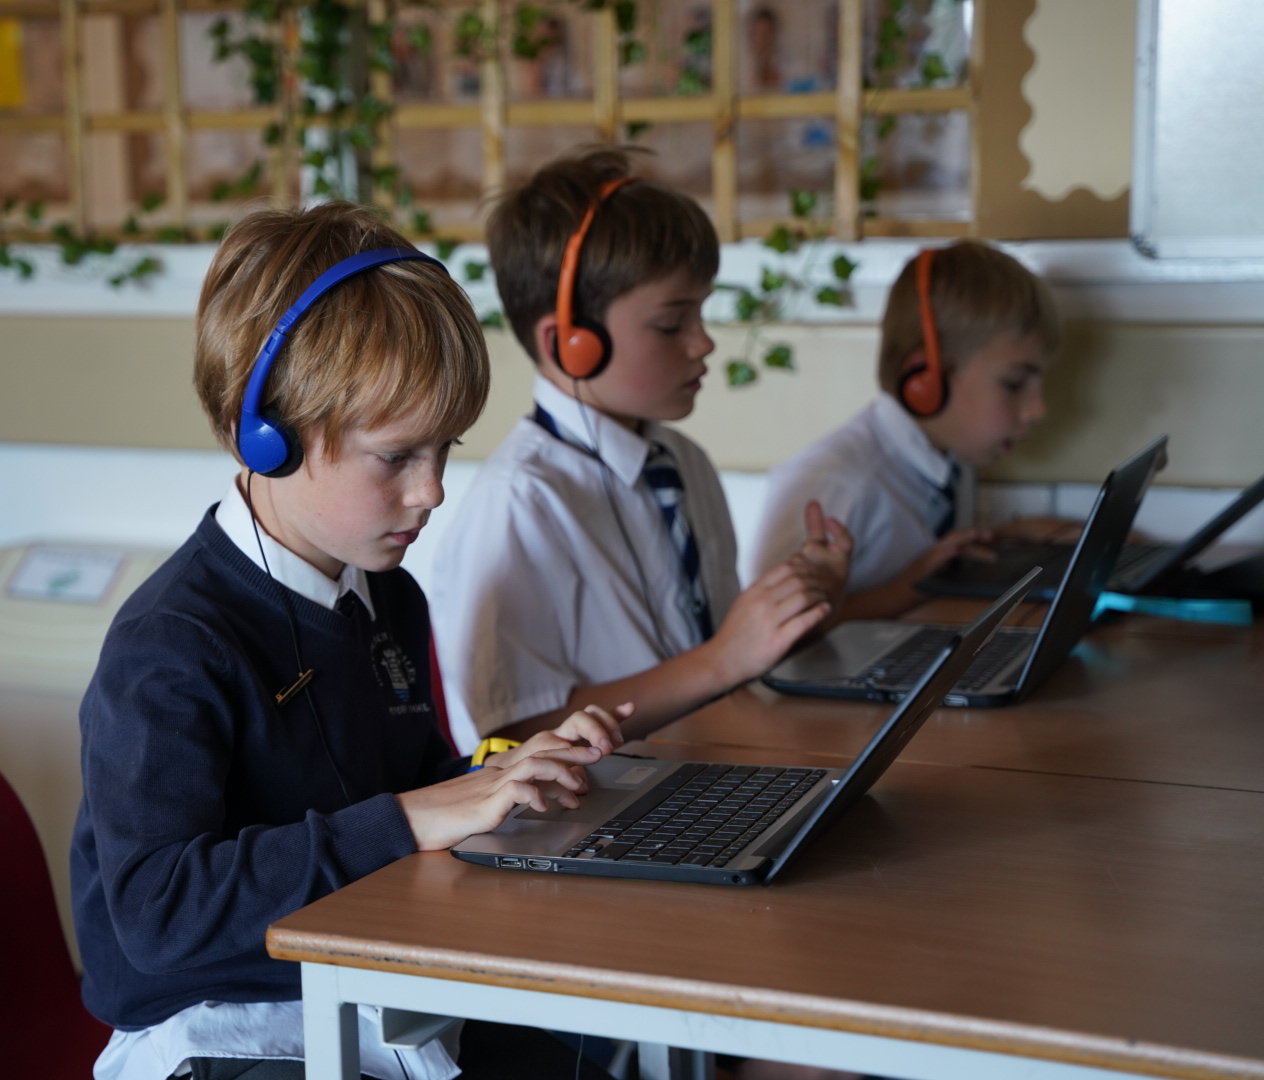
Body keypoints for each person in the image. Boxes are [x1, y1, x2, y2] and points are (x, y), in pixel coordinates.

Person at [71, 202, 626, 1080]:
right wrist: (415, 817)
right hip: (221, 1031)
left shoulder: (385, 599)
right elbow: (157, 914)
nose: (434, 491)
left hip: (367, 988)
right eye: (397, 456)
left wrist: (505, 777)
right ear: (271, 439)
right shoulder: (172, 645)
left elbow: (406, 788)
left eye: (445, 449)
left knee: (605, 1061)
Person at [429, 146, 851, 755]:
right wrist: (722, 659)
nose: (704, 342)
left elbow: (730, 669)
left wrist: (802, 611)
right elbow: (517, 734)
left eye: (702, 313)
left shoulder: (684, 465)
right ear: (572, 342)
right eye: (672, 322)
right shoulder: (521, 502)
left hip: (711, 770)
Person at [751, 240, 1061, 620]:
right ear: (925, 380)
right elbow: (773, 634)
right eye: (1014, 384)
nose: (1038, 410)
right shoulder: (839, 482)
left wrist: (1013, 537)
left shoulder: (948, 459)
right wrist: (906, 589)